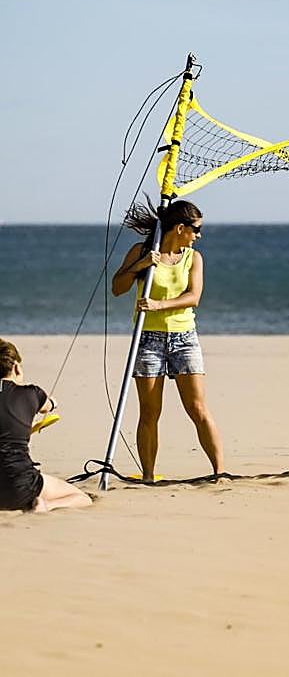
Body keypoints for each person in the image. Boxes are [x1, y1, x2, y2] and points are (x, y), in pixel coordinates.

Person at [111, 200, 225, 478]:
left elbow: (193, 297)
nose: (198, 235)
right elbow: (117, 287)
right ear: (180, 228)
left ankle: (220, 472)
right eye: (196, 229)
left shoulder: (193, 258)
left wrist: (158, 305)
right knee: (150, 412)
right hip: (148, 339)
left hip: (184, 337)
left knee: (197, 408)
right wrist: (141, 265)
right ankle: (148, 475)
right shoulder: (142, 251)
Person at [0, 339, 93, 512]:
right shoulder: (31, 393)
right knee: (82, 498)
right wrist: (52, 403)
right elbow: (48, 405)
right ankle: (46, 506)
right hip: (19, 486)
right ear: (16, 367)